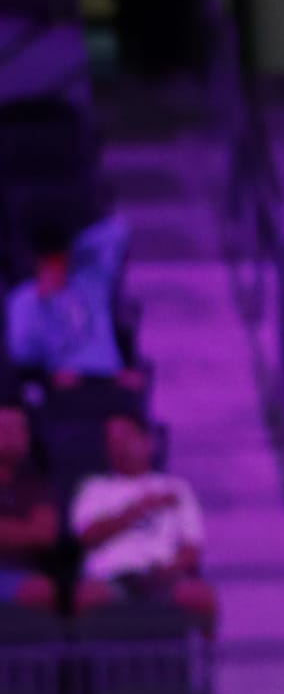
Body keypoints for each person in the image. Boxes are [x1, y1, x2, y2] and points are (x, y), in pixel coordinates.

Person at [72, 412, 216, 635]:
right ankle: (83, 669)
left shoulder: (176, 488)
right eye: (112, 441)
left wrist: (168, 572)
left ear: (147, 443)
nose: (117, 446)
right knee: (85, 597)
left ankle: (205, 667)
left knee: (202, 597)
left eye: (124, 439)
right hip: (110, 579)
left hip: (162, 576)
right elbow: (87, 537)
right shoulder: (94, 489)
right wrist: (138, 510)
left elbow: (192, 550)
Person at [7, 213, 136, 387]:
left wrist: (73, 243)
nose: (57, 269)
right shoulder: (24, 300)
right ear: (38, 263)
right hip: (61, 385)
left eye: (61, 261)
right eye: (50, 263)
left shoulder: (91, 282)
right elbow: (21, 355)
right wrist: (42, 305)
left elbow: (117, 229)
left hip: (108, 380)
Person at [0, 397, 58, 611]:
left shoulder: (36, 483)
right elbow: (32, 532)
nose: (13, 436)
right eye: (4, 428)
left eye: (19, 429)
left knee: (49, 592)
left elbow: (44, 534)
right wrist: (22, 530)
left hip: (22, 575)